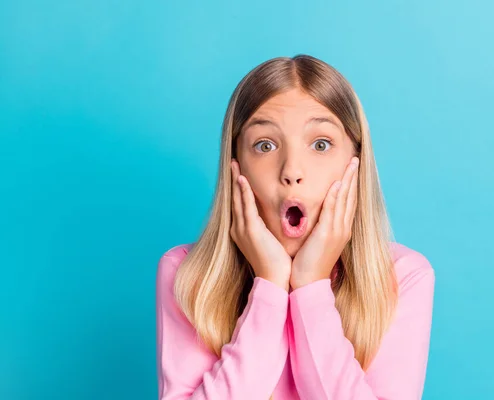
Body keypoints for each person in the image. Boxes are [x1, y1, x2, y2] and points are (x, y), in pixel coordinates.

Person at [155, 54, 436, 400]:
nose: (292, 171)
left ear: (355, 164)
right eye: (265, 145)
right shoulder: (187, 274)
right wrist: (270, 286)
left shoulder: (403, 277)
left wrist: (311, 288)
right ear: (236, 165)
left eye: (321, 144)